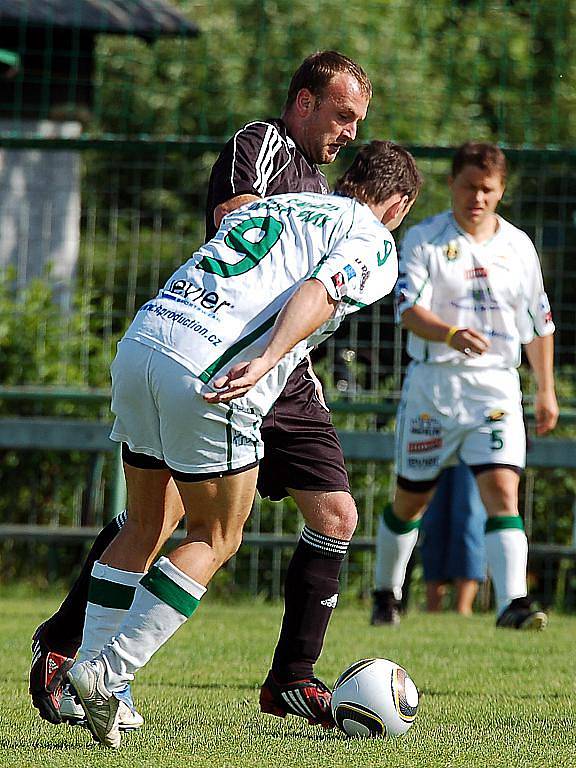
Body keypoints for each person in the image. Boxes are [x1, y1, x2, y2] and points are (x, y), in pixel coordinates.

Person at [30, 51, 375, 729]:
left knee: (335, 516)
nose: (350, 133)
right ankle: (67, 645)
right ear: (304, 102)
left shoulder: (330, 193)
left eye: (359, 122)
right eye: (342, 115)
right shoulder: (263, 142)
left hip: (285, 373)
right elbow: (236, 217)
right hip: (220, 356)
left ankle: (291, 679)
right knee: (158, 521)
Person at [65, 140, 422, 748]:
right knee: (215, 535)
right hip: (209, 372)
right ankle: (110, 671)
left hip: (145, 342)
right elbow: (320, 292)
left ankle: (95, 692)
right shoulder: (375, 241)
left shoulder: (284, 205)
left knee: (145, 521)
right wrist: (266, 359)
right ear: (399, 204)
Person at [371, 141, 558, 629]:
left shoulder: (519, 247)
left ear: (501, 191)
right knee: (412, 498)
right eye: (469, 186)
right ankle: (386, 594)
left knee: (502, 490)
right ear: (452, 184)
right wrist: (450, 334)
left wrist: (545, 389)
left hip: (495, 387)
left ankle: (511, 605)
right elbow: (407, 310)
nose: (477, 197)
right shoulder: (425, 239)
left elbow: (539, 323)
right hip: (435, 386)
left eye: (487, 189)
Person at [419, 462, 487, 615]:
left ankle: (463, 610)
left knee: (468, 521)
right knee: (432, 522)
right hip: (435, 443)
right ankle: (432, 610)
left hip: (472, 446)